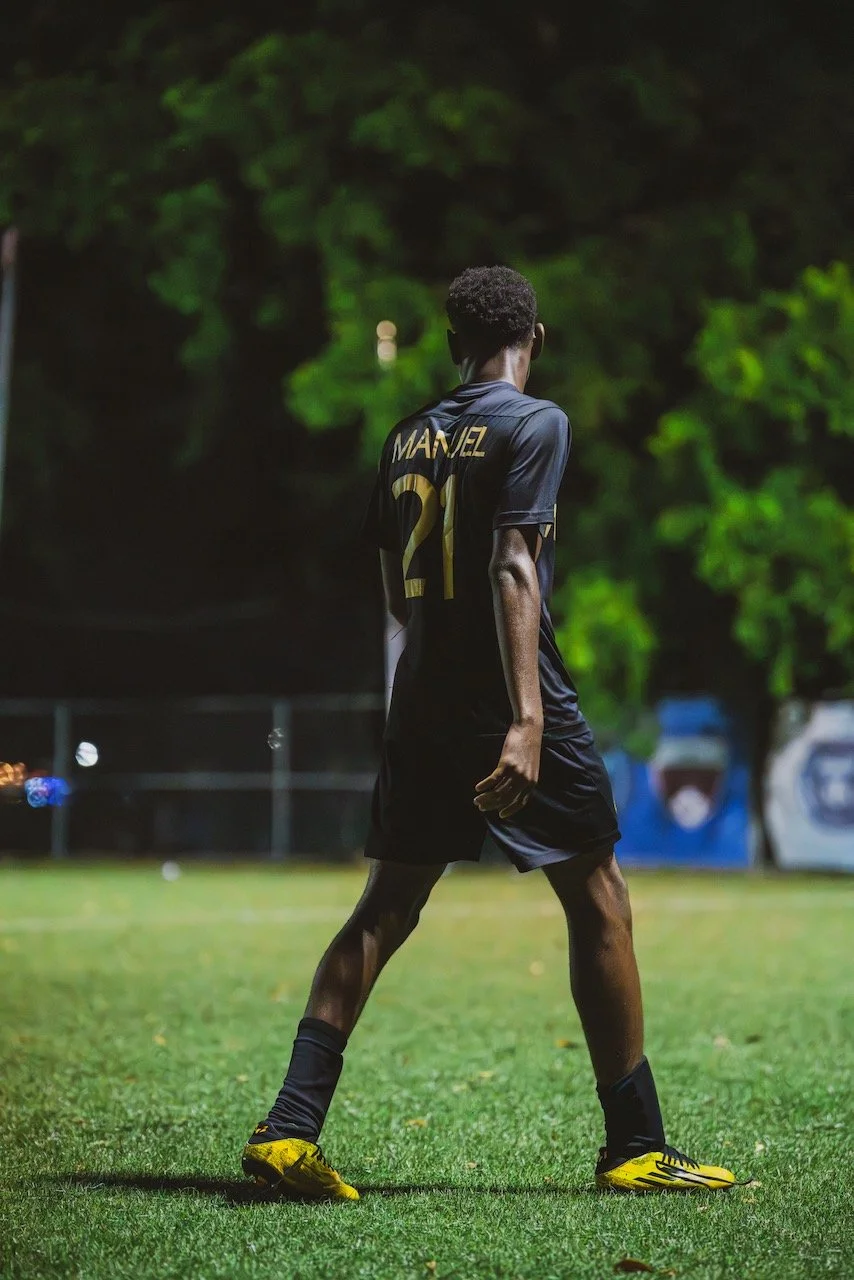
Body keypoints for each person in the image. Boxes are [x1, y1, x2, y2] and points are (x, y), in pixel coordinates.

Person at [242, 265, 736, 1199]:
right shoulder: (534, 422)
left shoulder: (403, 438)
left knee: (386, 908)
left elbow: (395, 595)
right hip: (508, 692)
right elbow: (516, 566)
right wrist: (527, 716)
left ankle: (288, 1128)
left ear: (451, 343)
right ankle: (634, 1144)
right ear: (534, 339)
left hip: (423, 692)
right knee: (600, 896)